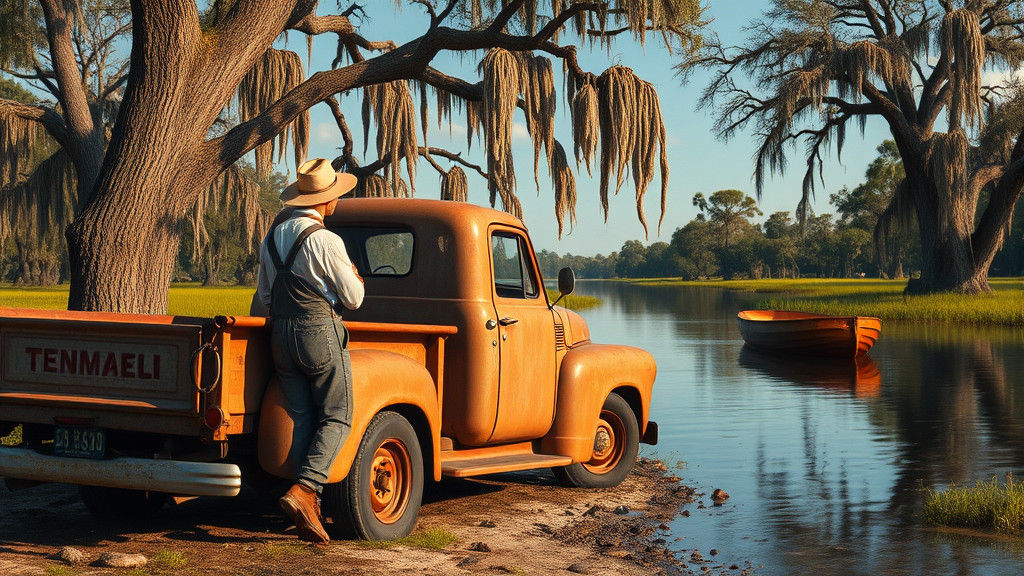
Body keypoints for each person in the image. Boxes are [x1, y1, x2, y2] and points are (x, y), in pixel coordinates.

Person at [251, 158, 365, 544]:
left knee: (300, 416)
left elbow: (264, 296)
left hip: (279, 333)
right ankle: (305, 490)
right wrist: (354, 275)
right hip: (318, 329)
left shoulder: (272, 237)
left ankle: (304, 506)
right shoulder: (325, 239)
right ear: (327, 201)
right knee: (339, 415)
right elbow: (353, 299)